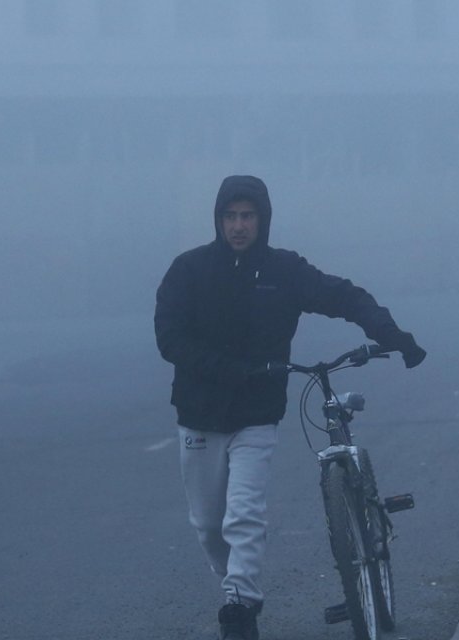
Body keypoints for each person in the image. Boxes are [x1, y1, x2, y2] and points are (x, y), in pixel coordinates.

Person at [154, 175, 426, 640]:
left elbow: (342, 295)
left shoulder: (284, 271)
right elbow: (169, 338)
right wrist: (229, 369)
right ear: (218, 220)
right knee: (208, 526)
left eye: (248, 216)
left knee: (244, 514)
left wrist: (390, 333)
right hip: (199, 415)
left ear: (263, 219)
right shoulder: (189, 270)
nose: (239, 225)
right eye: (230, 216)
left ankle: (240, 606)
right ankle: (235, 587)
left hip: (258, 415)